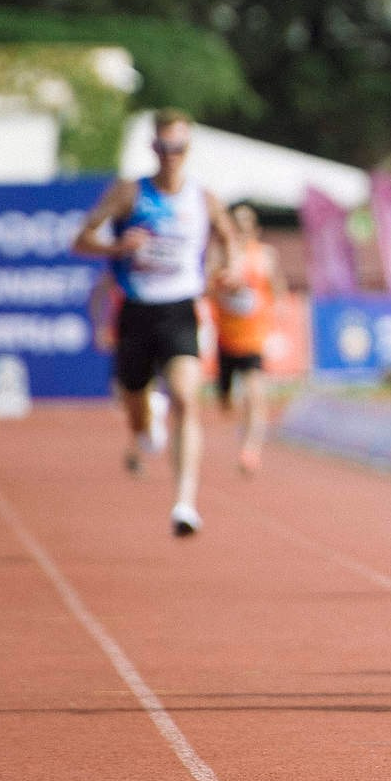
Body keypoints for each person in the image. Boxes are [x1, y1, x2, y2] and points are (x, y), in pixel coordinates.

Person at [72, 109, 238, 536]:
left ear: (188, 150)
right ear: (153, 149)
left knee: (187, 397)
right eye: (163, 148)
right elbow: (81, 239)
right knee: (135, 409)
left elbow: (227, 237)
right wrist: (116, 246)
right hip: (136, 311)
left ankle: (185, 503)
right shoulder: (130, 193)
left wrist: (221, 269)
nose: (171, 156)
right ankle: (147, 422)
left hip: (179, 308)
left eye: (178, 148)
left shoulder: (203, 198)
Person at [209, 203, 286, 474]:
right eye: (236, 225)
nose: (240, 230)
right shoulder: (220, 255)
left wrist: (277, 319)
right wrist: (223, 283)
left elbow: (277, 289)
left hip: (254, 336)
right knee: (226, 402)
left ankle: (250, 449)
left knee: (256, 394)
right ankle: (233, 407)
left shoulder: (266, 255)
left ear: (255, 228)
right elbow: (207, 288)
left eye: (245, 225)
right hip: (227, 337)